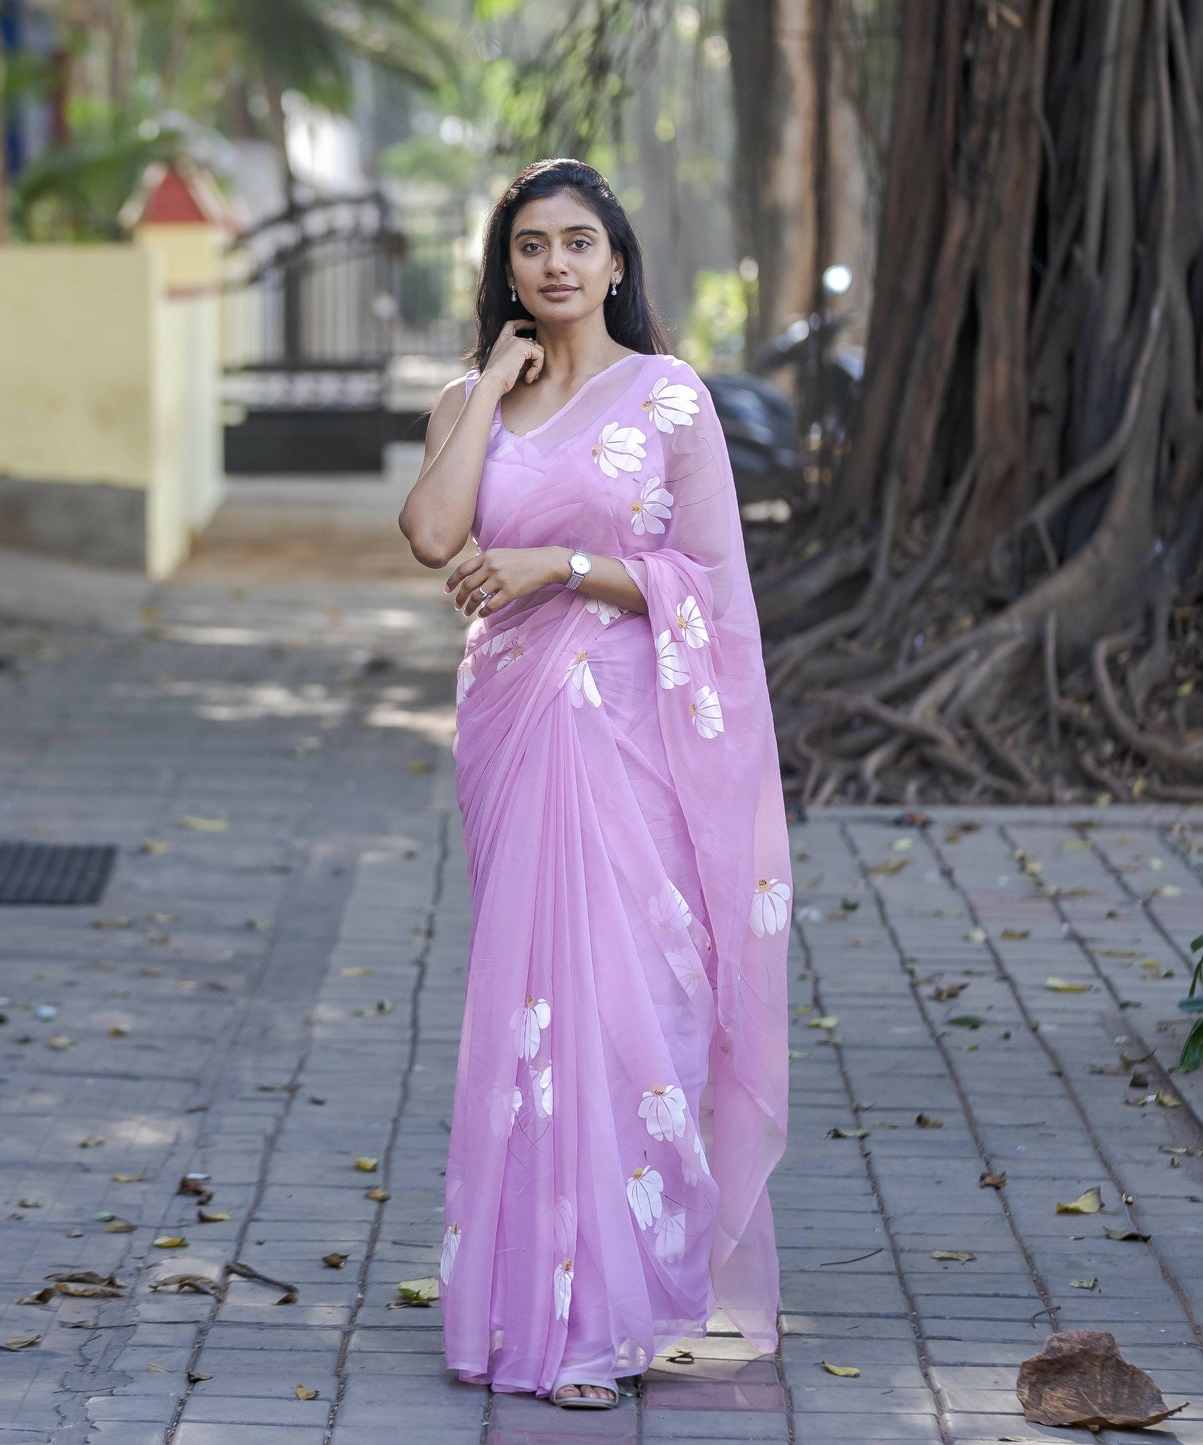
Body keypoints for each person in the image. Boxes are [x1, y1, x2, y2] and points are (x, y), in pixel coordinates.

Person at [399, 157, 791, 1411]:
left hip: (630, 730)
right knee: (532, 1010)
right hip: (513, 727)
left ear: (617, 260)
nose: (554, 263)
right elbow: (428, 535)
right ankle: (533, 1310)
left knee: (635, 1008)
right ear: (504, 267)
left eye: (578, 241)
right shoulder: (474, 392)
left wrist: (559, 564)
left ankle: (615, 1312)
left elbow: (711, 587)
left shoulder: (671, 398)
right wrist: (490, 393)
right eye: (530, 245)